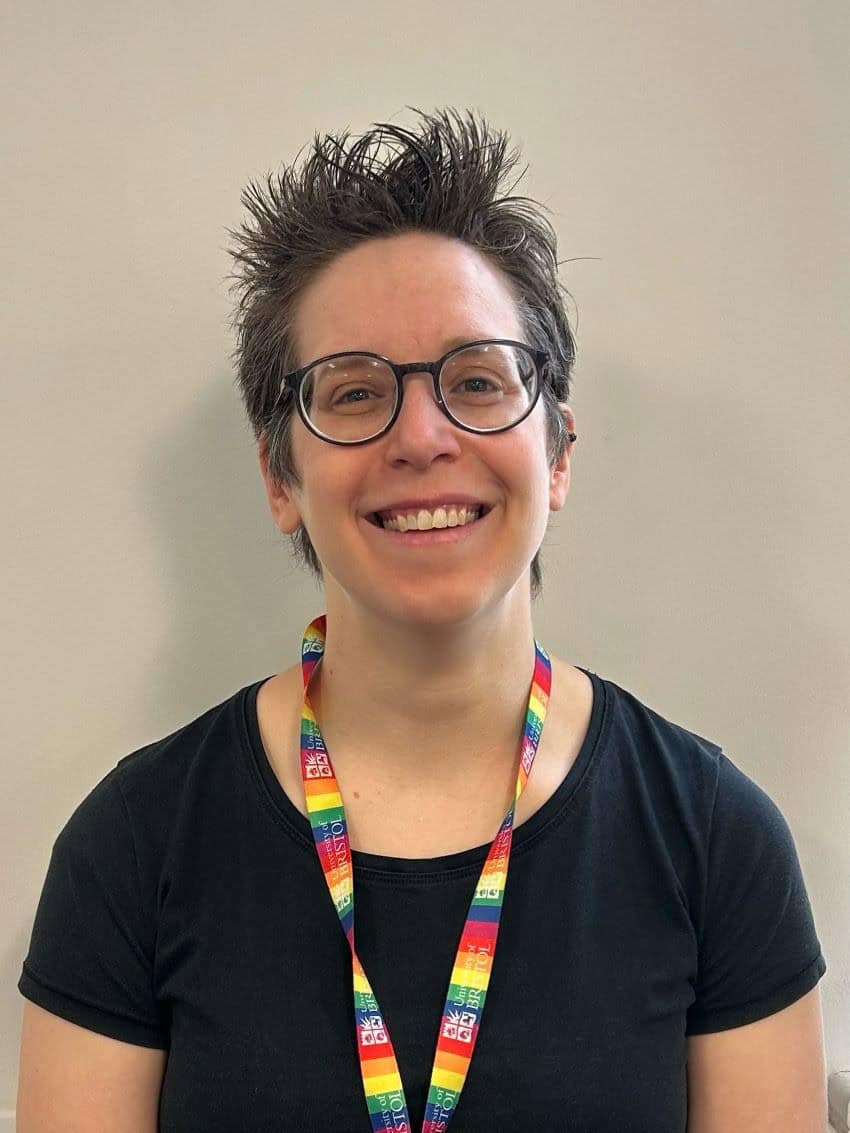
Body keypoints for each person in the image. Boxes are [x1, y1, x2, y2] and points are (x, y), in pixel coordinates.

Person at [16, 110, 828, 1132]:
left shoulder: (714, 837)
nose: (422, 435)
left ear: (557, 453)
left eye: (477, 380)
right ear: (279, 477)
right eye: (356, 393)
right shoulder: (134, 842)